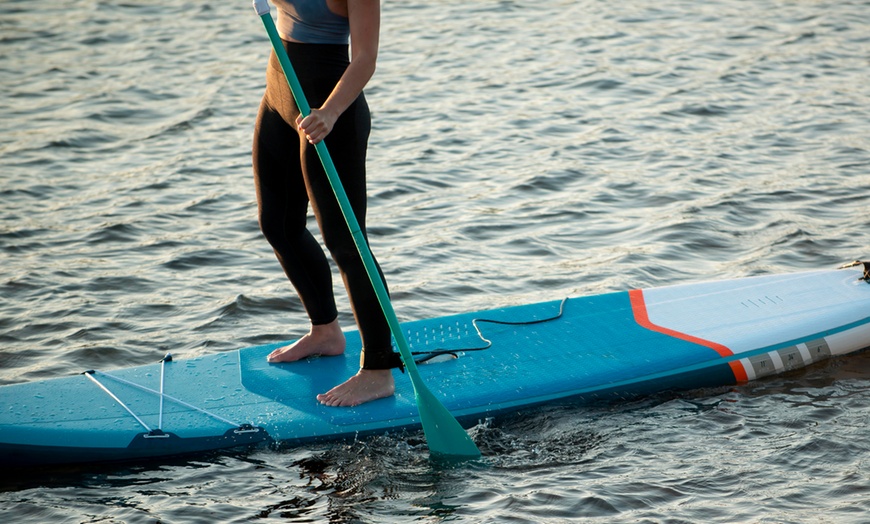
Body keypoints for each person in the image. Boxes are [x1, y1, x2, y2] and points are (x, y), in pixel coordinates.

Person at [252, 0, 402, 407]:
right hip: (280, 90)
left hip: (329, 106)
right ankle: (325, 331)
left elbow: (366, 58)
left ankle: (379, 371)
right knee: (278, 224)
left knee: (347, 242)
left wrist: (331, 113)